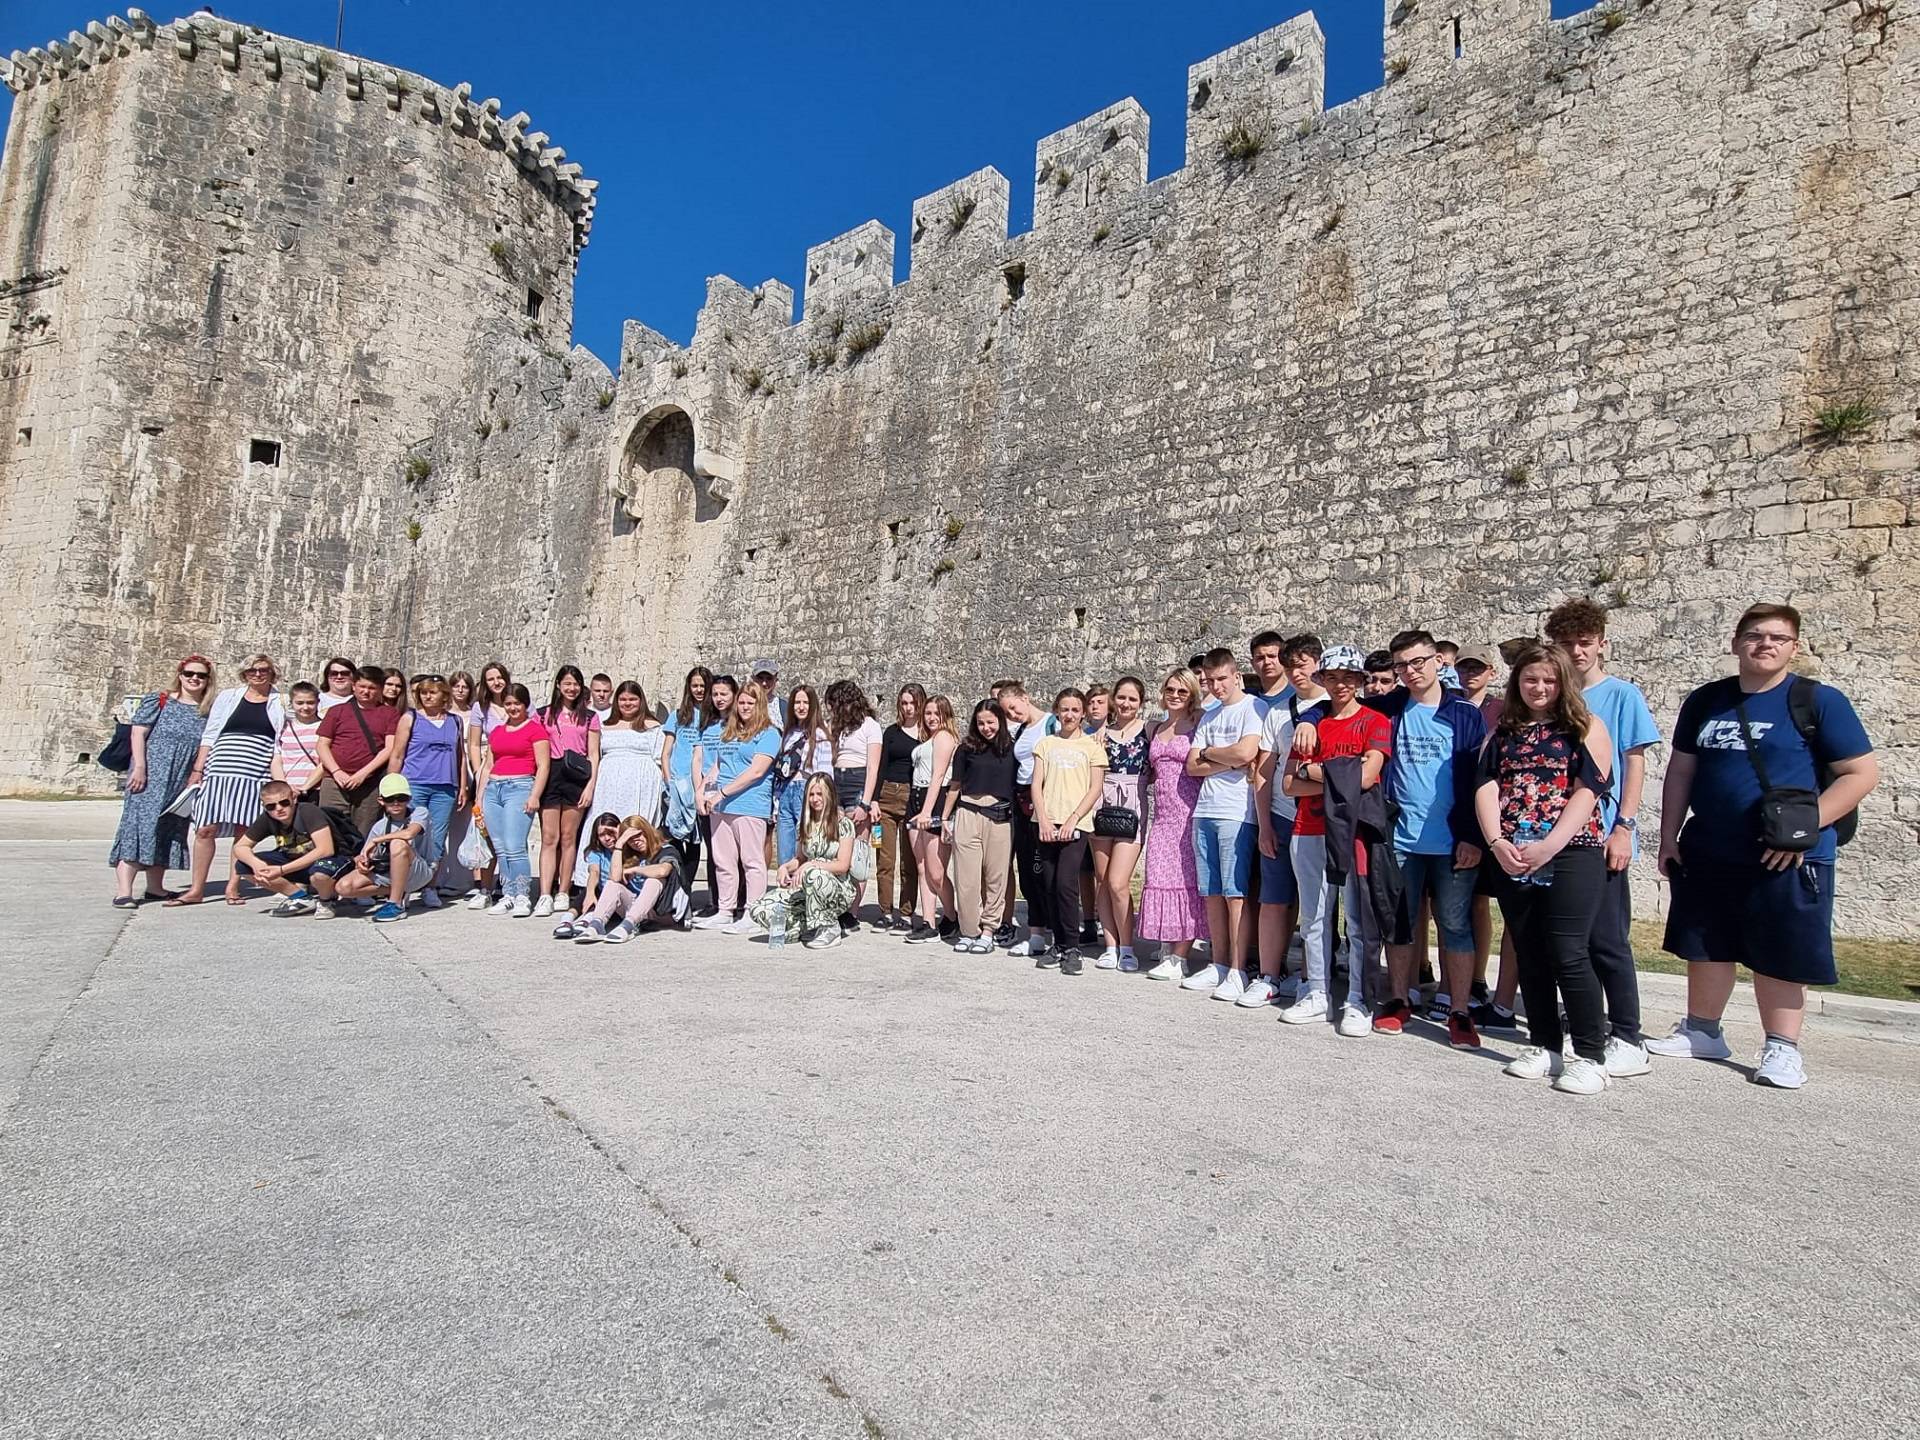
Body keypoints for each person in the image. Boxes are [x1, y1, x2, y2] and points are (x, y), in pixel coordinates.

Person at [1648, 604, 1877, 1089]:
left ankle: (1782, 1048)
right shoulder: (1707, 701)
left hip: (1786, 854)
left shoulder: (1817, 701)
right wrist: (1668, 835)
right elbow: (1682, 770)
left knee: (1781, 951)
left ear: (1794, 647)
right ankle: (1702, 1031)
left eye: (1778, 637)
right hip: (1711, 846)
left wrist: (1804, 829)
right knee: (1707, 944)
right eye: (1754, 635)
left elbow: (1861, 774)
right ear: (1735, 643)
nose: (1765, 644)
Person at [1476, 642, 1616, 1094]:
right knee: (1528, 947)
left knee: (1569, 950)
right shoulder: (1504, 731)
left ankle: (1591, 1053)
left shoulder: (1584, 726)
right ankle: (1544, 1043)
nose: (1539, 688)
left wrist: (1551, 844)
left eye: (1549, 680)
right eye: (1531, 678)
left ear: (1564, 683)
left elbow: (1588, 789)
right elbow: (1485, 784)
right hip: (1514, 851)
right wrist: (1496, 842)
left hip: (1572, 849)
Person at [1542, 598, 1663, 1076]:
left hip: (1600, 831)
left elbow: (1635, 763)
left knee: (1607, 938)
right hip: (1553, 835)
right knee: (1566, 938)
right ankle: (1581, 1022)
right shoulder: (1549, 696)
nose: (1576, 652)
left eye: (1584, 643)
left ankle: (1629, 1034)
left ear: (1602, 645)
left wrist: (1625, 828)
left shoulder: (1620, 696)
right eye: (1566, 644)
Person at [1365, 630, 1487, 1043]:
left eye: (1418, 662)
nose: (1411, 672)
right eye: (1402, 666)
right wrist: (1310, 721)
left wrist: (1472, 836)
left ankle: (1458, 1009)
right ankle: (1399, 1000)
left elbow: (1477, 780)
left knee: (1454, 924)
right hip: (1400, 836)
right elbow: (1339, 708)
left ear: (1438, 661)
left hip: (1453, 840)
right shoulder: (1392, 707)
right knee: (1400, 922)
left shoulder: (1464, 714)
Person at [1280, 645, 1391, 1035]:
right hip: (1308, 829)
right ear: (1322, 680)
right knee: (1314, 918)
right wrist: (1339, 773)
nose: (1341, 684)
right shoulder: (1311, 726)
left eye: (1349, 677)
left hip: (1356, 832)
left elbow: (1366, 778)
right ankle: (1318, 992)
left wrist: (1316, 770)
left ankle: (1359, 999)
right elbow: (1289, 784)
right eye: (1333, 677)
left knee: (1358, 920)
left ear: (1359, 681)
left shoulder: (1374, 721)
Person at [170, 654, 287, 907]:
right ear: (244, 674)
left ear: (272, 673)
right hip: (219, 770)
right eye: (252, 670)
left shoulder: (280, 703)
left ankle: (233, 886)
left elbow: (278, 745)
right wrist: (198, 769)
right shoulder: (228, 697)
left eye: (263, 670)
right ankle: (197, 888)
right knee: (205, 829)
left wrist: (280, 782)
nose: (257, 674)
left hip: (254, 773)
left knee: (244, 832)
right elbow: (210, 734)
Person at [1181, 648, 1263, 1000]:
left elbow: (1247, 754)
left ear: (1236, 676)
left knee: (1235, 893)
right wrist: (1224, 758)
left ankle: (1237, 969)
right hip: (1205, 809)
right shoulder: (1210, 714)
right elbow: (1191, 766)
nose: (1216, 687)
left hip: (1236, 812)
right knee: (1211, 891)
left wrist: (1212, 753)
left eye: (1221, 679)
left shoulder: (1254, 708)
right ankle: (1217, 963)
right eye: (1210, 681)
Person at [109, 655, 212, 906]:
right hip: (151, 773)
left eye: (201, 675)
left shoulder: (207, 710)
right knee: (138, 825)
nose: (195, 679)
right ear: (180, 675)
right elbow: (138, 732)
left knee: (168, 827)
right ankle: (124, 891)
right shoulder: (160, 700)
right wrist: (140, 767)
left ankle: (155, 887)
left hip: (181, 778)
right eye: (189, 673)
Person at [1029, 688, 1108, 975]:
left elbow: (1095, 787)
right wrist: (1045, 820)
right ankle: (1058, 944)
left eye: (1075, 710)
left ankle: (1073, 945)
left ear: (1083, 713)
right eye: (1065, 709)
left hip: (1076, 825)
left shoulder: (1092, 747)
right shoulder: (1046, 744)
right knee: (1048, 883)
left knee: (1066, 883)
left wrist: (1074, 819)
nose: (1070, 715)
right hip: (1047, 823)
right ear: (1057, 712)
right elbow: (1036, 784)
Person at [696, 678, 780, 935]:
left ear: (760, 705)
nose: (744, 707)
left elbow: (756, 771)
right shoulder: (728, 732)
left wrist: (721, 792)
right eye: (741, 702)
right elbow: (718, 765)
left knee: (751, 861)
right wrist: (702, 791)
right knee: (723, 860)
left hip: (749, 805)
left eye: (750, 703)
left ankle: (753, 913)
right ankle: (725, 910)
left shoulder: (769, 733)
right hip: (721, 806)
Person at [1138, 669, 1206, 982]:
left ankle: (1181, 955)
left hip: (1189, 811)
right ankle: (1168, 944)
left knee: (1186, 882)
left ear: (1192, 693)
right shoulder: (1156, 727)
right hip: (1162, 814)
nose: (1175, 696)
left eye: (1182, 691)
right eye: (1170, 690)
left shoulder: (1200, 722)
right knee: (1161, 877)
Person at [943, 700, 1018, 954]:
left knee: (996, 876)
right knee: (966, 877)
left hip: (999, 816)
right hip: (967, 812)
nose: (986, 728)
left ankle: (988, 930)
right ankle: (968, 930)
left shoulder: (1011, 748)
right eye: (981, 722)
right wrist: (945, 818)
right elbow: (955, 785)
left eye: (991, 722)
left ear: (1001, 721)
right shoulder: (965, 748)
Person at [750, 773, 857, 948]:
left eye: (819, 794)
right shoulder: (806, 824)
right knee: (759, 909)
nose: (815, 799)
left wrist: (812, 865)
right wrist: (785, 867)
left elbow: (843, 865)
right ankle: (804, 926)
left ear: (829, 794)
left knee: (814, 875)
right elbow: (800, 859)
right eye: (811, 794)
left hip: (836, 887)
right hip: (807, 886)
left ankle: (830, 927)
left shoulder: (843, 824)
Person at [389, 676, 465, 908]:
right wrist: (392, 787)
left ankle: (430, 886)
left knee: (437, 840)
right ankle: (403, 888)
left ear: (444, 695)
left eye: (433, 692)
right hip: (415, 784)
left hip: (445, 786)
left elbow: (460, 756)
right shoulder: (410, 718)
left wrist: (462, 786)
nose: (427, 696)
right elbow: (397, 754)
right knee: (411, 836)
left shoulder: (456, 721)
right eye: (423, 692)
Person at [476, 682, 549, 917]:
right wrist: (480, 797)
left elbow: (543, 765)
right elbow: (488, 766)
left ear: (525, 705)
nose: (512, 708)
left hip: (520, 786)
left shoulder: (535, 730)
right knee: (499, 846)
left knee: (515, 846)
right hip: (494, 789)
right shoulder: (497, 731)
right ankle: (507, 893)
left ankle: (522, 895)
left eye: (517, 703)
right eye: (508, 703)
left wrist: (535, 795)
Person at [1091, 676, 1149, 971]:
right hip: (1102, 802)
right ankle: (1111, 945)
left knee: (1118, 881)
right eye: (1122, 698)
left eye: (1132, 699)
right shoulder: (1101, 733)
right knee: (1102, 881)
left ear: (1141, 702)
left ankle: (1128, 946)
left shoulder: (1150, 730)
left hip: (1133, 805)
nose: (1126, 704)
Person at [536, 665, 601, 919]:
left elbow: (594, 754)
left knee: (568, 837)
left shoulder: (590, 717)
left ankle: (564, 890)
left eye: (575, 684)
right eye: (567, 683)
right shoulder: (543, 715)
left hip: (577, 776)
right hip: (552, 774)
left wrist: (590, 786)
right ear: (558, 686)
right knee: (549, 838)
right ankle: (544, 893)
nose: (571, 688)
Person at [233, 780, 353, 918]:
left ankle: (326, 901)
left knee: (319, 875)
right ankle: (301, 897)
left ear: (293, 799)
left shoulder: (308, 811)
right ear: (264, 806)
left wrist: (281, 870)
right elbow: (240, 847)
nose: (278, 809)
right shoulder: (267, 818)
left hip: (333, 860)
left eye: (284, 803)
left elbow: (326, 850)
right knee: (243, 866)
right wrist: (257, 864)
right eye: (271, 806)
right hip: (297, 861)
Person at [315, 664, 401, 846]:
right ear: (354, 686)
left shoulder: (389, 714)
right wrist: (337, 771)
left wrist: (362, 774)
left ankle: (358, 870)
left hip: (369, 783)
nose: (366, 692)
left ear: (379, 690)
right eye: (362, 687)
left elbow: (389, 748)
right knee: (330, 828)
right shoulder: (337, 711)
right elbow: (322, 744)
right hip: (335, 780)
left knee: (364, 831)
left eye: (372, 688)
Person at [334, 774, 437, 922]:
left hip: (420, 872)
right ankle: (398, 892)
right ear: (381, 801)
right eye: (390, 799)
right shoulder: (379, 826)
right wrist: (362, 862)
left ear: (408, 799)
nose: (396, 803)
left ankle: (395, 904)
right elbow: (366, 854)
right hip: (391, 872)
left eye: (401, 798)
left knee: (397, 843)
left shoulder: (419, 813)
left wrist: (377, 840)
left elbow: (409, 834)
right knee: (344, 887)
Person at [575, 814, 692, 943]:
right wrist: (619, 844)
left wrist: (636, 870)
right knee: (613, 884)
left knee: (654, 880)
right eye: (630, 839)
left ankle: (629, 926)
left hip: (667, 912)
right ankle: (596, 926)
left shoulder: (665, 850)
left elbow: (662, 870)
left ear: (647, 832)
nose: (636, 841)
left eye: (639, 835)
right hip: (641, 911)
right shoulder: (631, 855)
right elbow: (614, 878)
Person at [997, 682, 1051, 953]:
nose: (1013, 715)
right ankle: (1036, 934)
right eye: (1007, 712)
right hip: (1021, 800)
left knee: (1045, 869)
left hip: (1044, 799)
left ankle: (1054, 931)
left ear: (1025, 698)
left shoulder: (1050, 724)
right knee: (1027, 868)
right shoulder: (1020, 731)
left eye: (1014, 708)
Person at [826, 679, 883, 931]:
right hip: (837, 781)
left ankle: (853, 911)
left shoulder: (871, 726)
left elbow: (873, 767)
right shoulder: (836, 727)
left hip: (859, 781)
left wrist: (865, 802)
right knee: (837, 848)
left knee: (858, 850)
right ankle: (836, 905)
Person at [905, 694, 960, 944]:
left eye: (936, 713)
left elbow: (938, 776)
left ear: (945, 715)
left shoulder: (945, 738)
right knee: (922, 867)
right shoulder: (925, 740)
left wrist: (928, 812)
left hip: (934, 800)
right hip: (916, 798)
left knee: (936, 871)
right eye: (927, 713)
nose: (931, 718)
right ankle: (928, 921)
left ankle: (950, 916)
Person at [874, 684, 927, 933]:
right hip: (886, 795)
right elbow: (881, 766)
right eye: (904, 703)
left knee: (909, 860)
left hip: (910, 796)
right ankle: (885, 910)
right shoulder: (891, 732)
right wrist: (873, 800)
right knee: (885, 859)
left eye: (912, 703)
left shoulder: (926, 734)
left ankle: (906, 913)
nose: (908, 708)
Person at [461, 661, 513, 909]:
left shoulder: (518, 702)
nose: (496, 682)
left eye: (500, 677)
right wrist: (477, 770)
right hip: (489, 769)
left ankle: (508, 884)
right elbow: (473, 743)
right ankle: (484, 887)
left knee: (511, 831)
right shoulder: (480, 708)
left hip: (515, 771)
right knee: (486, 829)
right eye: (491, 678)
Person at [587, 681, 666, 832]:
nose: (627, 703)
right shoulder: (604, 726)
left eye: (632, 699)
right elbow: (595, 755)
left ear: (641, 701)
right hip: (607, 785)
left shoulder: (653, 726)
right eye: (623, 699)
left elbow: (660, 758)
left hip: (641, 785)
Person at [690, 674, 739, 917]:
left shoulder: (738, 724)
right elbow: (698, 758)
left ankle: (737, 902)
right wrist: (699, 791)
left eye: (724, 694)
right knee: (714, 850)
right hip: (706, 794)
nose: (719, 699)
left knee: (734, 852)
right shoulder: (707, 725)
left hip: (728, 792)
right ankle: (715, 900)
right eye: (716, 694)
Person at [663, 666, 713, 892]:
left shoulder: (712, 717)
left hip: (700, 783)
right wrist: (668, 780)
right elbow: (666, 752)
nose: (699, 690)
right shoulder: (677, 715)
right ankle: (677, 884)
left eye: (703, 686)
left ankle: (686, 888)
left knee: (695, 840)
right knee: (674, 835)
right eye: (695, 685)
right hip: (677, 782)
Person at [773, 684, 830, 866]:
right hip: (785, 792)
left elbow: (826, 773)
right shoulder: (788, 734)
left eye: (805, 702)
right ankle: (786, 891)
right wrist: (776, 801)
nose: (801, 706)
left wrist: (823, 801)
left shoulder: (820, 734)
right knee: (784, 851)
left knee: (805, 849)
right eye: (797, 702)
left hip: (806, 791)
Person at [553, 812, 622, 940]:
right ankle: (567, 919)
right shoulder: (597, 851)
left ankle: (588, 918)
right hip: (600, 888)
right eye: (602, 835)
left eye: (610, 832)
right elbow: (594, 872)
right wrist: (590, 893)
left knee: (608, 891)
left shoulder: (626, 850)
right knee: (589, 891)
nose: (607, 838)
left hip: (618, 896)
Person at [271, 682, 325, 803]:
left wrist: (305, 787)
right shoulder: (283, 727)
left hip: (314, 789)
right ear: (292, 703)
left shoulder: (324, 727)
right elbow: (277, 759)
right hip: (286, 789)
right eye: (300, 703)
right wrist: (284, 786)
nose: (305, 707)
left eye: (310, 703)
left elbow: (325, 762)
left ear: (318, 702)